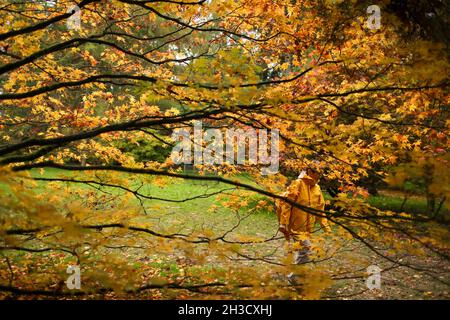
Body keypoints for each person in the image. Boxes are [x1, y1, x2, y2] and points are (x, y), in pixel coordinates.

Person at [275, 165, 330, 266]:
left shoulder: (317, 188)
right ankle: (293, 277)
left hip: (308, 229)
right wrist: (283, 223)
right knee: (306, 250)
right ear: (310, 172)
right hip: (295, 227)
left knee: (302, 251)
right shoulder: (298, 183)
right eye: (318, 173)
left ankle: (295, 274)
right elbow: (286, 204)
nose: (320, 176)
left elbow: (320, 209)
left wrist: (326, 228)